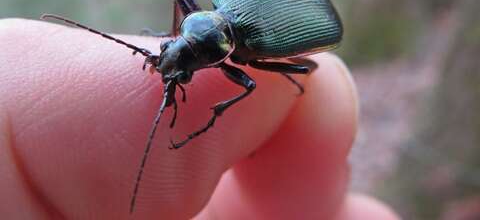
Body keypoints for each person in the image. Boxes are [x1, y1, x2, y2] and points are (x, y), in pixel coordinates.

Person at [0, 19, 399, 219]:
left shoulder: (242, 51)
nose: (173, 66)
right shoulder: (209, 26)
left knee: (286, 76)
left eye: (183, 64)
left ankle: (213, 118)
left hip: (306, 21)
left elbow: (248, 85)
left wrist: (210, 119)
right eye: (173, 46)